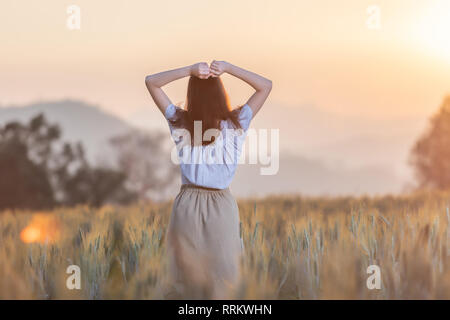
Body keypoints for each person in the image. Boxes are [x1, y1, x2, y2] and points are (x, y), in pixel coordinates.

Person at [145, 60, 272, 299]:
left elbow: (151, 82)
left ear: (191, 94)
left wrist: (189, 71)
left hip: (187, 204)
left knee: (184, 281)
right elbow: (265, 86)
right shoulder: (236, 123)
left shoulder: (180, 122)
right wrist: (229, 68)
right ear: (221, 92)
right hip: (222, 205)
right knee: (224, 279)